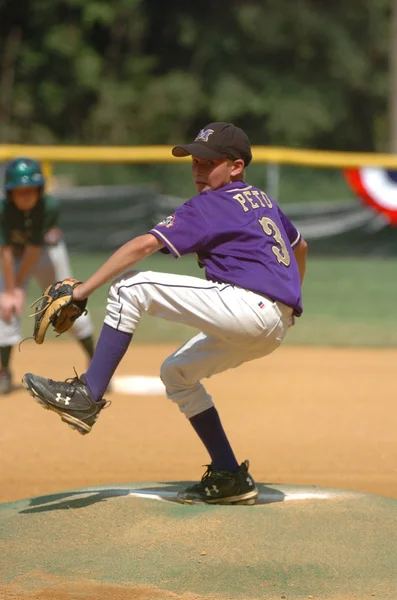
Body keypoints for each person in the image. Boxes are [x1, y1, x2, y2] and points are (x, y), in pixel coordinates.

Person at [22, 123, 308, 505]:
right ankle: (229, 476)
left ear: (237, 166)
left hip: (248, 307)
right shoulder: (261, 200)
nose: (198, 170)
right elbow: (300, 246)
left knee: (130, 286)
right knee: (177, 374)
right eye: (195, 161)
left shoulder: (212, 204)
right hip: (271, 324)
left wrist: (83, 290)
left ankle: (87, 395)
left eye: (209, 163)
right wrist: (291, 303)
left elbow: (144, 244)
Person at [0, 157, 95, 394]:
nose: (25, 196)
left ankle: (96, 364)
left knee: (69, 303)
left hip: (45, 254)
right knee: (5, 307)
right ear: (9, 193)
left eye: (30, 190)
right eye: (19, 191)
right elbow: (6, 252)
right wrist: (11, 291)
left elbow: (34, 249)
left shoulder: (48, 206)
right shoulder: (2, 210)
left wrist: (20, 287)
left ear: (40, 190)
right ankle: (3, 371)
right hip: (12, 257)